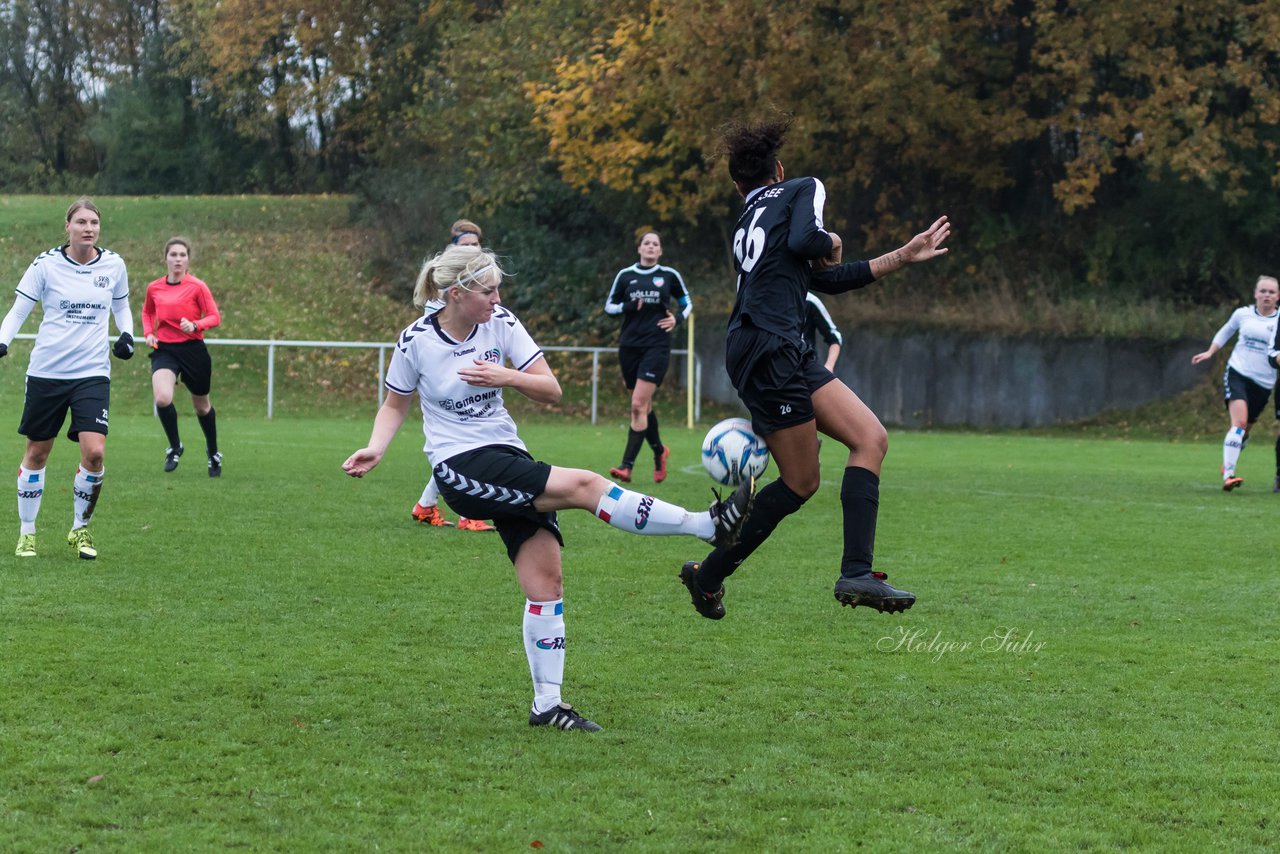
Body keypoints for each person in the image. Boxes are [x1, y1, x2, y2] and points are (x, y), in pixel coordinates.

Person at [342, 244, 754, 732]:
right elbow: (395, 404)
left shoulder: (502, 323)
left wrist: (504, 376)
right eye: (489, 290)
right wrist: (376, 446)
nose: (498, 298)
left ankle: (547, 706)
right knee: (585, 484)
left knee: (547, 583)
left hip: (508, 455)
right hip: (460, 466)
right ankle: (706, 527)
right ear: (456, 293)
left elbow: (551, 388)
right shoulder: (416, 342)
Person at [678, 117, 950, 620]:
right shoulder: (803, 187)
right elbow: (811, 244)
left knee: (871, 439)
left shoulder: (746, 217)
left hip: (771, 344)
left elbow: (822, 280)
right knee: (801, 481)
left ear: (738, 184)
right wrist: (834, 238)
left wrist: (902, 256)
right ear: (778, 170)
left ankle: (853, 572)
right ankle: (714, 572)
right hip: (770, 346)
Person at [0, 197, 134, 559]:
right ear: (68, 226)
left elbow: (121, 305)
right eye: (81, 222)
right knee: (38, 452)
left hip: (92, 373)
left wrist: (126, 335)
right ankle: (27, 533)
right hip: (47, 372)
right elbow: (18, 311)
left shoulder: (114, 265)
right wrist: (2, 341)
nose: (88, 228)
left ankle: (80, 529)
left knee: (94, 453)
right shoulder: (45, 266)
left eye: (94, 222)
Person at [408, 219, 496, 532]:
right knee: (465, 446)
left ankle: (425, 505)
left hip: (476, 376)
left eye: (476, 245)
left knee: (466, 447)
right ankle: (467, 513)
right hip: (449, 383)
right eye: (466, 246)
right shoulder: (446, 290)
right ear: (454, 248)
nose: (473, 250)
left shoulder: (481, 282)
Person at [603, 230, 691, 484]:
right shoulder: (626, 275)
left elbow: (687, 302)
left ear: (660, 251)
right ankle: (659, 452)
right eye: (647, 243)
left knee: (637, 405)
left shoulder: (669, 276)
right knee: (644, 406)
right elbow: (609, 306)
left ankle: (626, 466)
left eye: (656, 244)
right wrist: (627, 307)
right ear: (640, 249)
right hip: (629, 346)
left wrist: (678, 317)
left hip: (657, 346)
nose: (651, 247)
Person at [142, 237, 223, 476]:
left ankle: (213, 453)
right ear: (165, 258)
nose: (178, 259)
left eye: (182, 255)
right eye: (173, 255)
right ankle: (175, 447)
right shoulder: (154, 287)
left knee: (201, 406)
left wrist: (196, 325)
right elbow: (148, 312)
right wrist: (148, 333)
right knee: (163, 398)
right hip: (165, 350)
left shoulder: (197, 286)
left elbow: (214, 317)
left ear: (188, 259)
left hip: (193, 350)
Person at [1192, 275, 1280, 491]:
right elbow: (1226, 331)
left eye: (1271, 292)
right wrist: (1211, 351)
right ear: (1255, 293)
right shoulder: (1243, 314)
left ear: (1278, 296)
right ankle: (1229, 475)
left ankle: (1229, 459)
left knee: (1246, 430)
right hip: (1238, 373)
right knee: (1239, 424)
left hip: (1264, 382)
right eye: (1263, 291)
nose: (1266, 295)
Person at [803, 292, 843, 372]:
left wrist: (829, 366)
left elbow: (834, 338)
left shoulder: (810, 301)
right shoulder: (772, 298)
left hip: (806, 369)